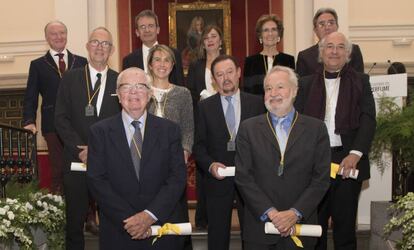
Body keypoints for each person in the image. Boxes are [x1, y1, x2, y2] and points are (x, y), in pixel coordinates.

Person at [87, 67, 187, 250]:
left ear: (149, 94)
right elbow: (97, 181)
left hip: (160, 229)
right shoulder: (99, 132)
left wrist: (149, 215)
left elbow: (177, 178)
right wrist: (131, 221)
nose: (133, 92)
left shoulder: (169, 130)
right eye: (126, 87)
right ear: (118, 94)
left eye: (140, 86)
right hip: (119, 230)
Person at [295, 32, 376, 250]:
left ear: (348, 54)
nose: (334, 51)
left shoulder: (361, 81)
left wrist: (355, 154)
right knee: (314, 226)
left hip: (347, 161)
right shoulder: (305, 84)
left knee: (345, 227)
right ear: (321, 52)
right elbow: (297, 123)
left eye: (340, 47)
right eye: (329, 46)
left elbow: (368, 119)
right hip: (314, 161)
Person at [235, 65, 331, 250]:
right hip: (260, 228)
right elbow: (243, 177)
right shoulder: (248, 128)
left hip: (300, 228)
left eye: (280, 87)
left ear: (294, 91)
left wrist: (295, 213)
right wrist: (271, 213)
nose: (273, 93)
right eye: (268, 88)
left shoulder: (316, 129)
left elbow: (321, 179)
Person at [55, 27, 121, 250]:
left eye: (105, 44)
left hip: (110, 163)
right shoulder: (70, 78)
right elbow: (60, 119)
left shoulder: (119, 81)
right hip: (76, 161)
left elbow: (123, 123)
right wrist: (80, 149)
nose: (100, 47)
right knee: (74, 223)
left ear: (111, 49)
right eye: (95, 42)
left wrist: (99, 152)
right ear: (87, 46)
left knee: (112, 221)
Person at [193, 55, 265, 250]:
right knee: (217, 236)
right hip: (218, 180)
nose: (226, 78)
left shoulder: (257, 104)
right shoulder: (204, 107)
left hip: (251, 180)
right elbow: (198, 146)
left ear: (239, 73)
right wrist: (210, 165)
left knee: (253, 234)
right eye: (220, 74)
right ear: (214, 80)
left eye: (230, 72)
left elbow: (265, 143)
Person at [23, 20, 87, 194]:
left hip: (79, 125)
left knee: (82, 168)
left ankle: (88, 216)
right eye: (54, 33)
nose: (59, 37)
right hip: (52, 125)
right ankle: (59, 214)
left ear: (67, 35)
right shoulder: (37, 65)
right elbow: (30, 96)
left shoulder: (81, 61)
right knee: (58, 170)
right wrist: (29, 120)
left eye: (62, 33)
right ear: (46, 38)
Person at [187, 24, 225, 231]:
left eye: (214, 36)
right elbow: (190, 91)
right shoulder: (196, 64)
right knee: (204, 168)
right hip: (201, 120)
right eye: (206, 38)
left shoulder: (227, 63)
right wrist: (202, 98)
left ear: (220, 40)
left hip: (224, 122)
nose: (210, 40)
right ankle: (202, 219)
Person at [147, 44, 194, 162]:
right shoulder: (142, 92)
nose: (162, 64)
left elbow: (188, 129)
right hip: (146, 156)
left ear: (172, 65)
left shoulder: (183, 93)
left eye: (167, 60)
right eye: (157, 60)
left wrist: (185, 152)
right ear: (150, 65)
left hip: (174, 156)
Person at [296, 8, 364, 77]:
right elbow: (302, 86)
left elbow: (359, 81)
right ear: (315, 30)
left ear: (337, 26)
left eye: (331, 23)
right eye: (322, 24)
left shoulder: (353, 50)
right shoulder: (305, 57)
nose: (327, 27)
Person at [122, 9, 184, 86]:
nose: (147, 30)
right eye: (143, 27)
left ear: (158, 30)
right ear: (137, 32)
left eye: (150, 26)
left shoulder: (174, 54)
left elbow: (180, 86)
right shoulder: (129, 61)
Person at [243, 14, 295, 96]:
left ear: (279, 34)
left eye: (274, 29)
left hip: (283, 107)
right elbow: (246, 92)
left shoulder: (288, 60)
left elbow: (292, 89)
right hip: (257, 107)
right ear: (260, 35)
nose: (270, 33)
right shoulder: (250, 61)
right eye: (266, 30)